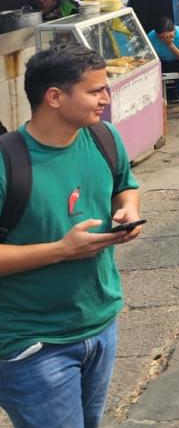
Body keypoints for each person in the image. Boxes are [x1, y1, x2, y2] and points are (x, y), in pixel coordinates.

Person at [0, 44, 142, 428]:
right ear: (55, 97)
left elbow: (124, 185)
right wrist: (62, 250)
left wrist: (130, 209)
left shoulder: (104, 138)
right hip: (33, 344)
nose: (106, 98)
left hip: (100, 324)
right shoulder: (7, 161)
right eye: (95, 90)